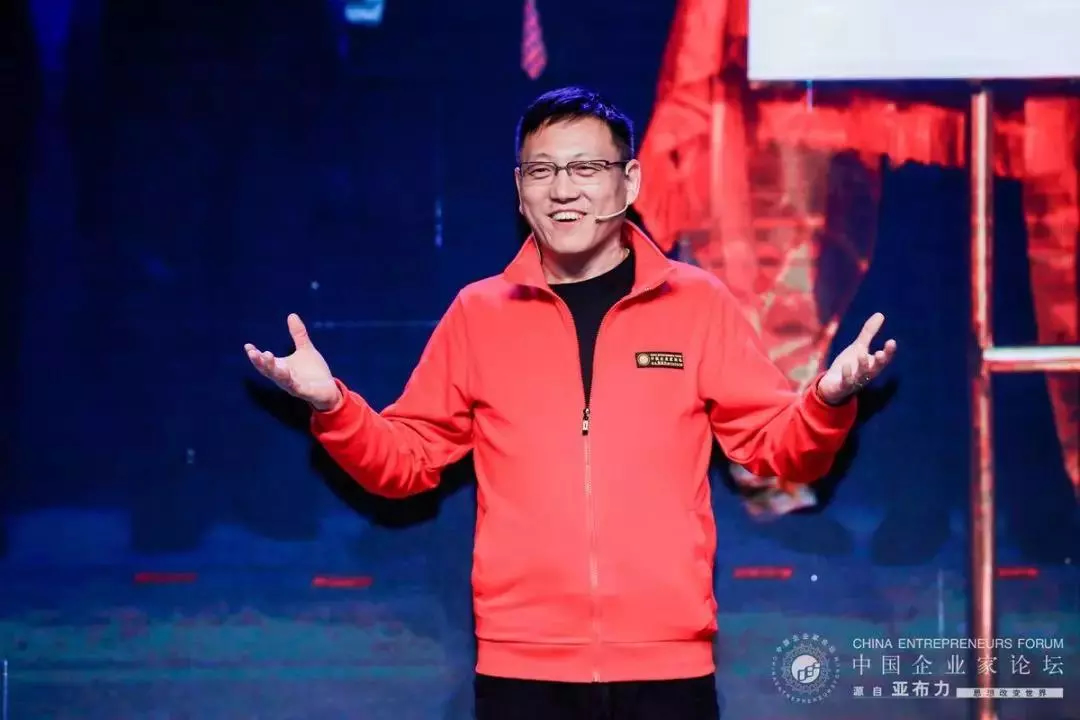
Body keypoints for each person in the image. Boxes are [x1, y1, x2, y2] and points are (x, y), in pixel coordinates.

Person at [244, 86, 897, 719]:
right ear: (520, 189)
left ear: (630, 182)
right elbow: (404, 464)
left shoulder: (697, 304)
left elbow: (781, 451)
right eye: (542, 171)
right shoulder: (479, 313)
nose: (563, 189)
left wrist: (827, 398)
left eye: (586, 168)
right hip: (521, 668)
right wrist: (332, 404)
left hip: (668, 667)